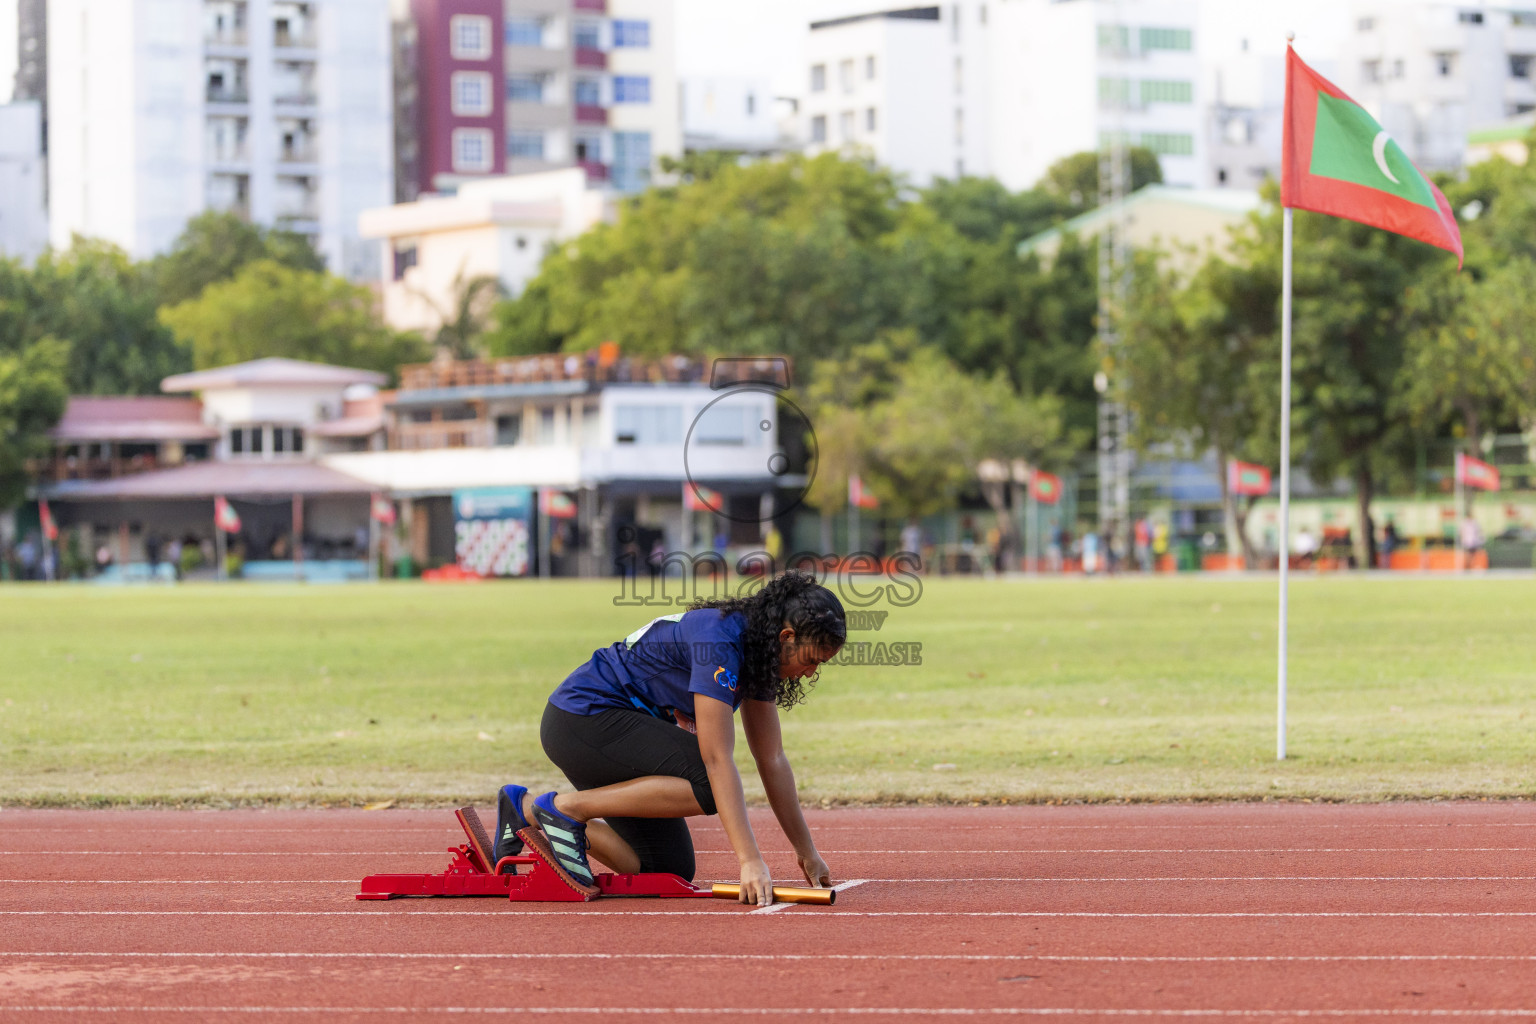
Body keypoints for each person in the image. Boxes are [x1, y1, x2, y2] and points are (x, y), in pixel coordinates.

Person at [492, 570, 846, 906]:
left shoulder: (760, 654)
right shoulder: (720, 641)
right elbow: (716, 759)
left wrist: (807, 851)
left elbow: (772, 759)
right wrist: (750, 860)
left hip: (604, 728)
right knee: (710, 781)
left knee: (665, 870)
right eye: (812, 659)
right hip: (581, 720)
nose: (811, 672)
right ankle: (565, 809)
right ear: (786, 637)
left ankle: (525, 809)